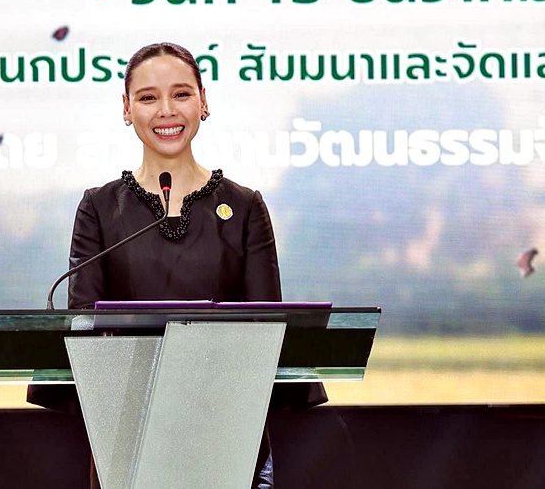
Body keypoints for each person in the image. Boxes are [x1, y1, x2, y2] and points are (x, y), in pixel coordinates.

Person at [28, 42, 327, 489]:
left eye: (181, 94)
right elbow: (85, 329)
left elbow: (266, 330)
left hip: (229, 436)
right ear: (127, 108)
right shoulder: (100, 208)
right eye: (148, 97)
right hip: (127, 441)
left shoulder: (245, 207)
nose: (166, 110)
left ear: (203, 102)